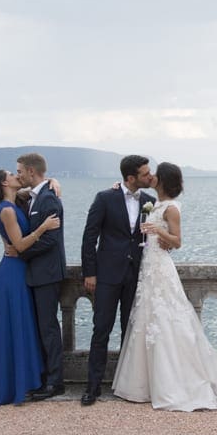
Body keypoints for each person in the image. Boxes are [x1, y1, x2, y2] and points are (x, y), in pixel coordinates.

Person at [112, 162, 217, 413]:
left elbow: (178, 242)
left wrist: (158, 231)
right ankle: (142, 383)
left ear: (164, 180)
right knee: (147, 320)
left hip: (161, 269)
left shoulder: (171, 208)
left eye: (156, 173)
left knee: (168, 320)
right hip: (149, 268)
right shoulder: (154, 204)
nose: (152, 176)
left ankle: (174, 381)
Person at [0, 170, 61, 406]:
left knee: (22, 324)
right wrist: (43, 227)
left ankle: (25, 379)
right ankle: (14, 382)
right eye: (12, 174)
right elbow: (20, 245)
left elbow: (42, 184)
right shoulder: (8, 209)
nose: (16, 175)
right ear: (4, 182)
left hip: (19, 269)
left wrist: (53, 182)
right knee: (15, 324)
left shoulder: (14, 200)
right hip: (14, 271)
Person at [79, 155, 157, 406]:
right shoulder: (105, 198)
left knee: (131, 329)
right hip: (107, 275)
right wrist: (89, 272)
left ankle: (126, 384)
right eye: (145, 174)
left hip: (137, 275)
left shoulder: (150, 201)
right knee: (101, 328)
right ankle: (93, 386)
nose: (149, 176)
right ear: (130, 178)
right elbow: (89, 237)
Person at [14, 152, 67, 401]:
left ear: (32, 172)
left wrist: (21, 251)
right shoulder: (34, 196)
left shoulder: (48, 199)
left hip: (47, 273)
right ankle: (45, 377)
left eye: (20, 172)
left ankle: (55, 382)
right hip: (37, 273)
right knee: (41, 327)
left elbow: (51, 238)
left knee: (48, 328)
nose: (18, 175)